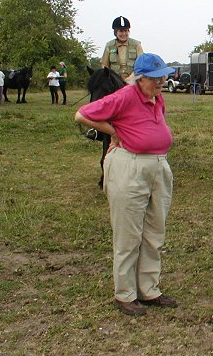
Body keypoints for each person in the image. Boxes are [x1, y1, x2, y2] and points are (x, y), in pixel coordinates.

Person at [74, 52, 177, 316]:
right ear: (140, 78)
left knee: (154, 231)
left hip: (157, 165)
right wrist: (115, 132)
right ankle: (125, 294)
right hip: (130, 167)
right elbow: (82, 114)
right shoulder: (124, 96)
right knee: (128, 233)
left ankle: (149, 289)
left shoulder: (157, 98)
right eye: (155, 77)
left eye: (163, 75)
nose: (161, 81)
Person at [100, 16, 144, 81]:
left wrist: (130, 79)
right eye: (121, 31)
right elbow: (104, 65)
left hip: (133, 80)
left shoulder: (136, 45)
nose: (123, 34)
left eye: (126, 31)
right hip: (114, 81)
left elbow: (141, 65)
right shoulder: (109, 46)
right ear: (115, 32)